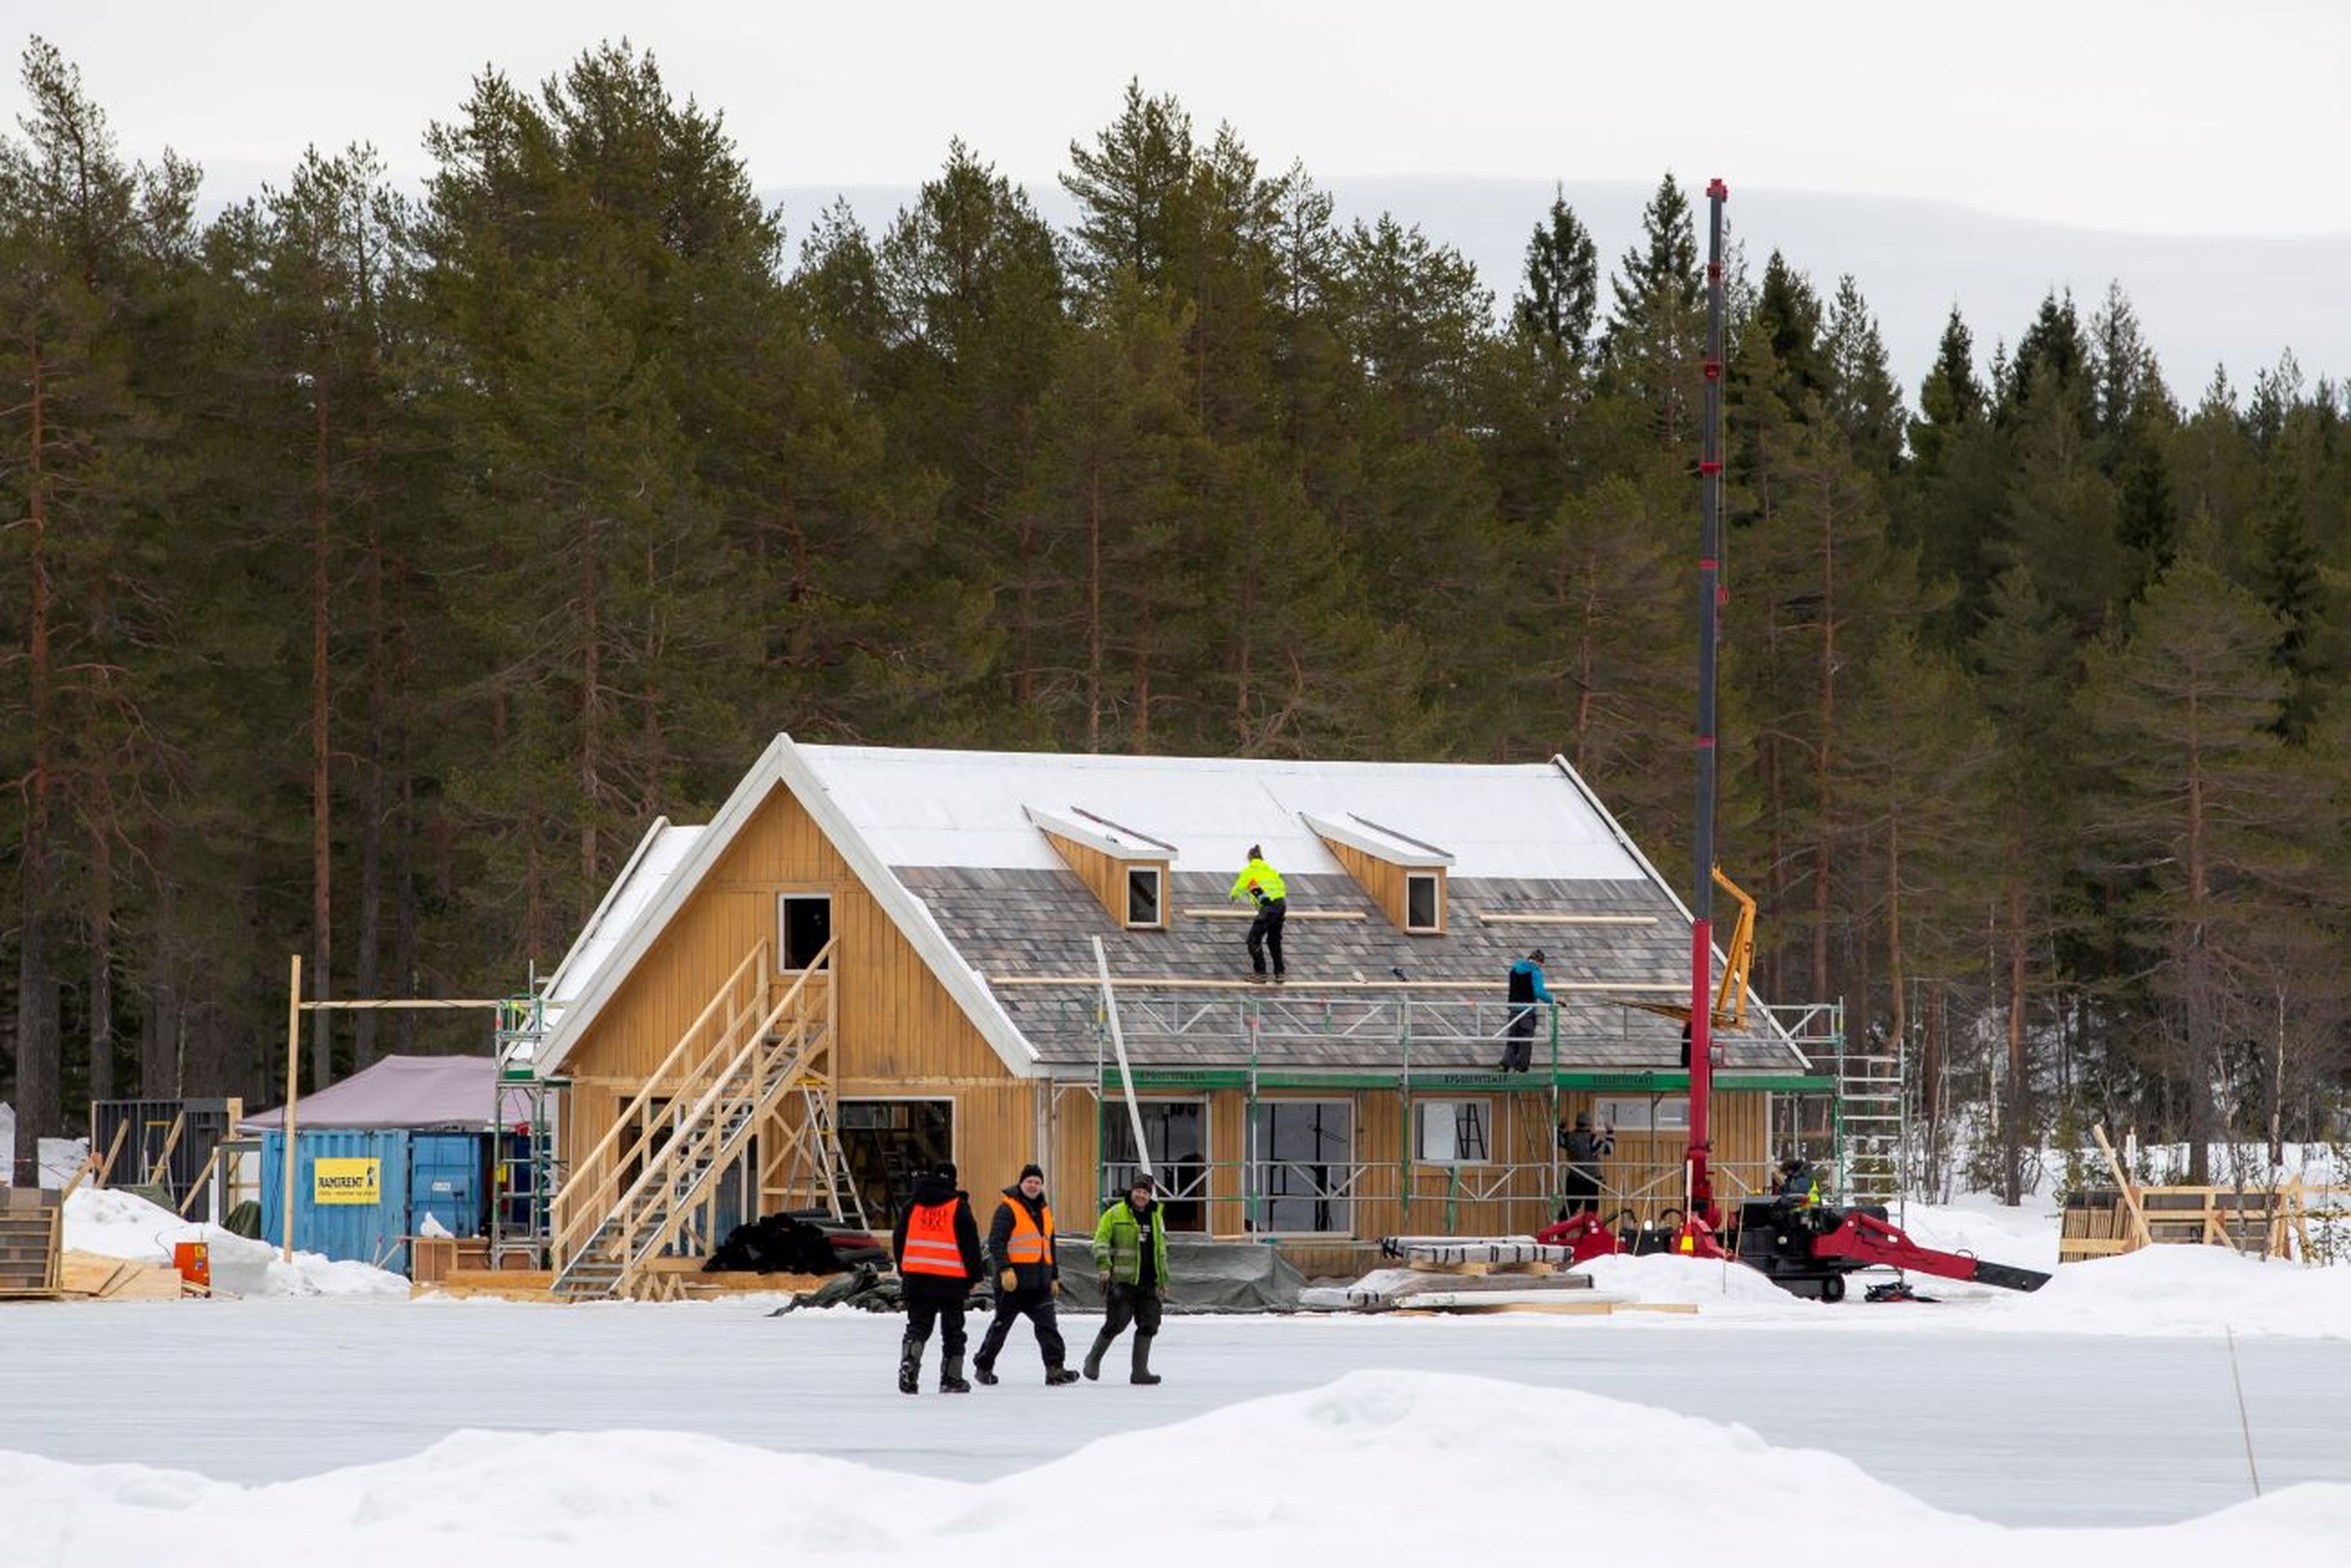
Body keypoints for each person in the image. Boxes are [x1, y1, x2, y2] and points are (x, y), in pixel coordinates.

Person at [973, 1163, 1079, 1387]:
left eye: (1037, 1182)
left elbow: (1049, 1246)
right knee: (1001, 1328)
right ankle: (983, 1367)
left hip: (1039, 1284)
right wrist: (1005, 1269)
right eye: (1029, 1181)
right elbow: (996, 1242)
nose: (1033, 1185)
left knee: (1048, 1327)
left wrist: (1054, 1277)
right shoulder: (1007, 1208)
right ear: (1021, 1183)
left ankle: (1055, 1370)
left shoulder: (1045, 1211)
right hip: (1013, 1284)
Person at [891, 1160, 984, 1395]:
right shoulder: (958, 1206)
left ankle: (909, 1363)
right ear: (954, 1181)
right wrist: (974, 1277)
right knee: (953, 1331)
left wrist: (905, 1270)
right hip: (950, 1279)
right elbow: (970, 1245)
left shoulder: (912, 1206)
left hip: (917, 1279)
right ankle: (952, 1379)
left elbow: (898, 1239)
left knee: (918, 1326)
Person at [1083, 1173, 1169, 1385]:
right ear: (1132, 1192)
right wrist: (1104, 1267)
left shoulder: (1155, 1216)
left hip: (1149, 1282)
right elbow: (1100, 1242)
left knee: (1150, 1323)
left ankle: (1139, 1372)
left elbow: (1161, 1251)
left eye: (1146, 1193)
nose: (1142, 1195)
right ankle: (1092, 1360)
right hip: (1123, 1281)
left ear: (1150, 1196)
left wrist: (1163, 1280)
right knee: (1117, 1323)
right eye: (1138, 1191)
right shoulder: (1115, 1214)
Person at [1228, 844, 1288, 983]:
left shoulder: (1251, 870)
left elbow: (1240, 886)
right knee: (1274, 941)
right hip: (1281, 904)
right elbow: (1273, 889)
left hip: (1269, 906)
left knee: (1253, 940)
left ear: (1250, 858)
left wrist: (1232, 897)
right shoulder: (1270, 870)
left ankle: (1260, 973)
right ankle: (1280, 973)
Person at [1498, 948, 1557, 1072]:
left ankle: (1505, 1063)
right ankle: (1522, 1068)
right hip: (1527, 1012)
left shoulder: (1514, 970)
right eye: (1542, 964)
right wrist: (1553, 1001)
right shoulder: (1535, 972)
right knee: (1525, 1040)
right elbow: (1539, 992)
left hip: (1513, 1011)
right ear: (1539, 962)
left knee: (1513, 1039)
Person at [1558, 1111, 1615, 1217]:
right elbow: (1609, 1149)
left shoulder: (1569, 1137)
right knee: (1591, 1212)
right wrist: (1610, 1131)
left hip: (1574, 1178)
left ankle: (1561, 1232)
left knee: (1569, 1209)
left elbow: (1557, 1140)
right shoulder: (1592, 1139)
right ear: (1590, 1124)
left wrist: (1561, 1127)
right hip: (1591, 1179)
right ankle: (1587, 1232)